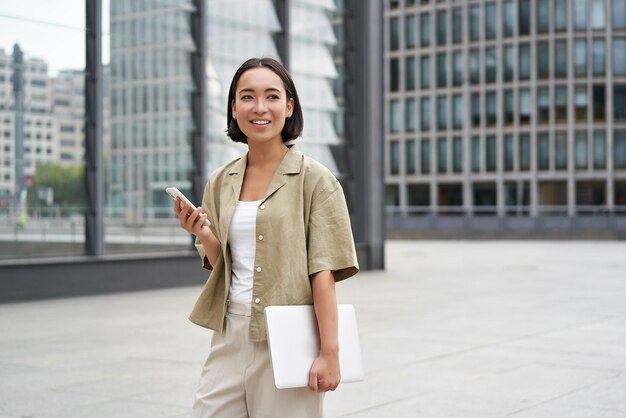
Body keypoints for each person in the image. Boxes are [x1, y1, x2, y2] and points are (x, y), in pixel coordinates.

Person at [174, 57, 359, 418]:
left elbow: (323, 274)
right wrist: (204, 233)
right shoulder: (221, 180)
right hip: (229, 333)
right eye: (247, 97)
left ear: (289, 107)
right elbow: (221, 265)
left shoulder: (316, 181)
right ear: (233, 107)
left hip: (288, 339)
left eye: (272, 97)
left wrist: (330, 353)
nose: (260, 108)